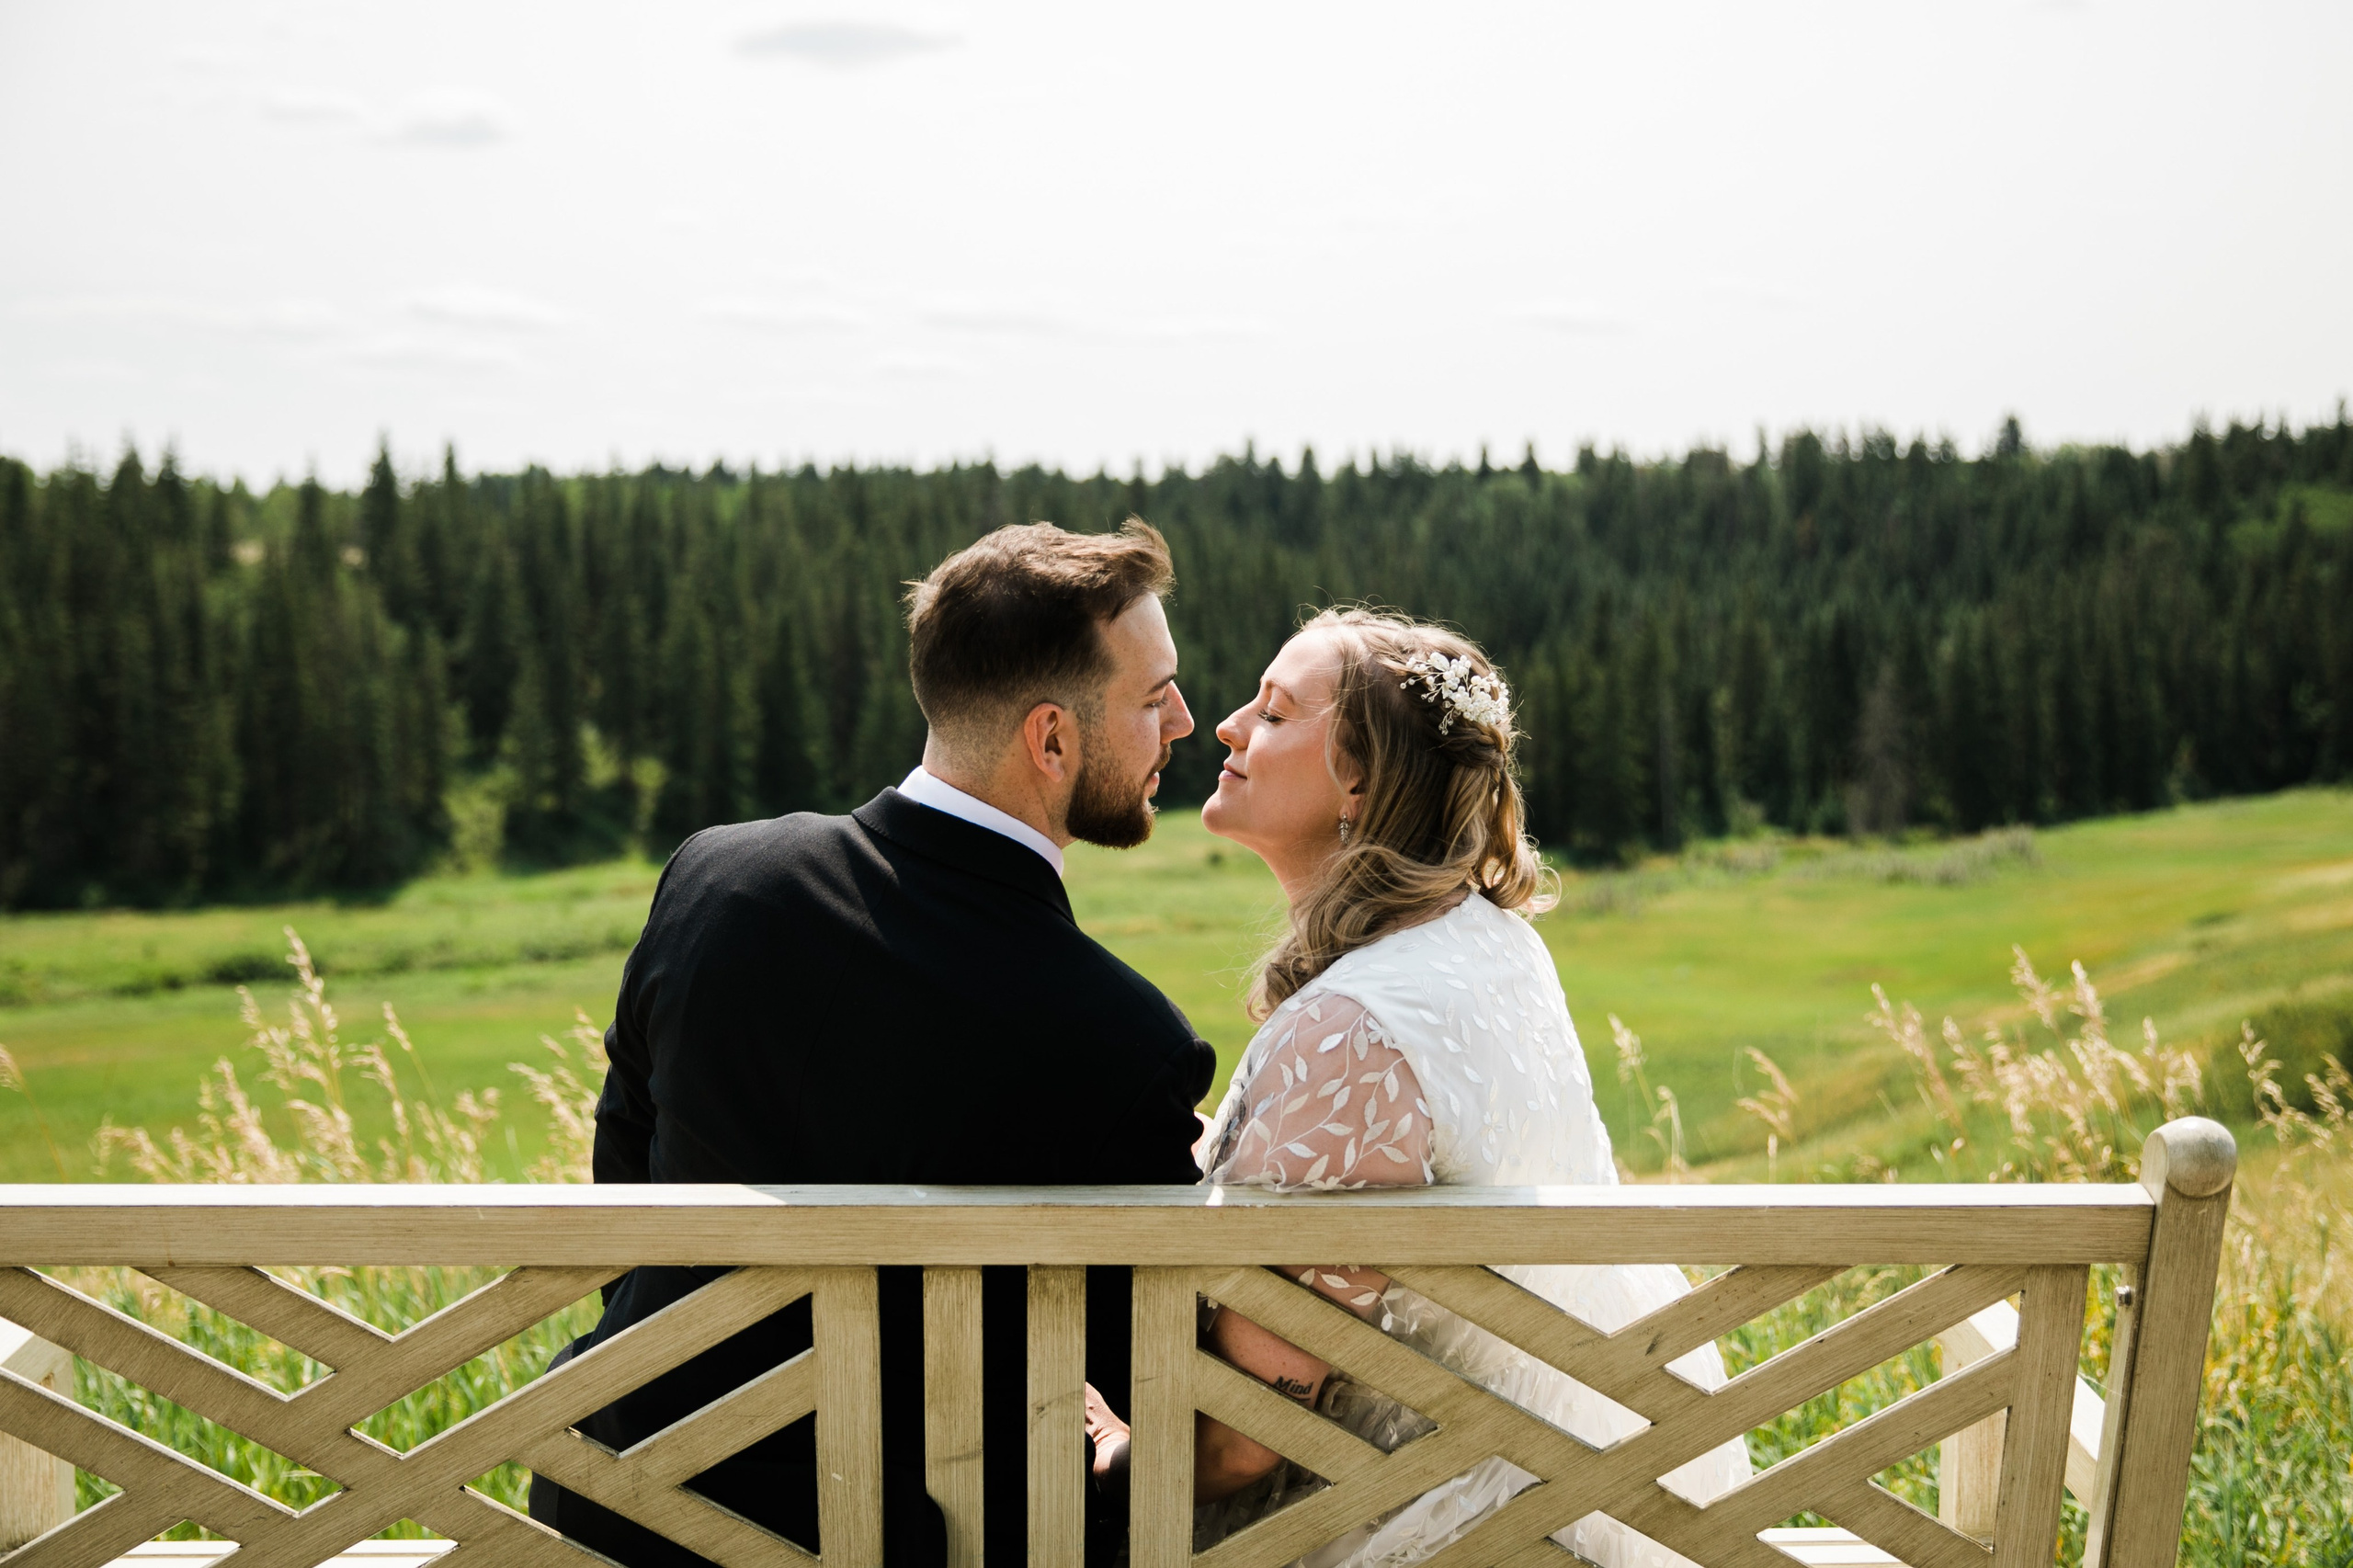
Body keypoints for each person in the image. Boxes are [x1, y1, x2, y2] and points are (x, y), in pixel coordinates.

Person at [529, 520, 1217, 1568]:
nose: (1182, 718)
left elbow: (626, 1165)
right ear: (1050, 740)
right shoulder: (1121, 1038)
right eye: (1151, 694)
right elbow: (1145, 1369)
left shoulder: (715, 875)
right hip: (893, 1537)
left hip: (614, 1485)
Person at [1169, 607, 1747, 1566]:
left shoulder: (1350, 1034)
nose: (1228, 725)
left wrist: (1093, 1458)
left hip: (1478, 1526)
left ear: (1358, 776)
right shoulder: (1495, 940)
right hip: (1603, 1466)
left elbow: (1246, 1433)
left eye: (1273, 713)